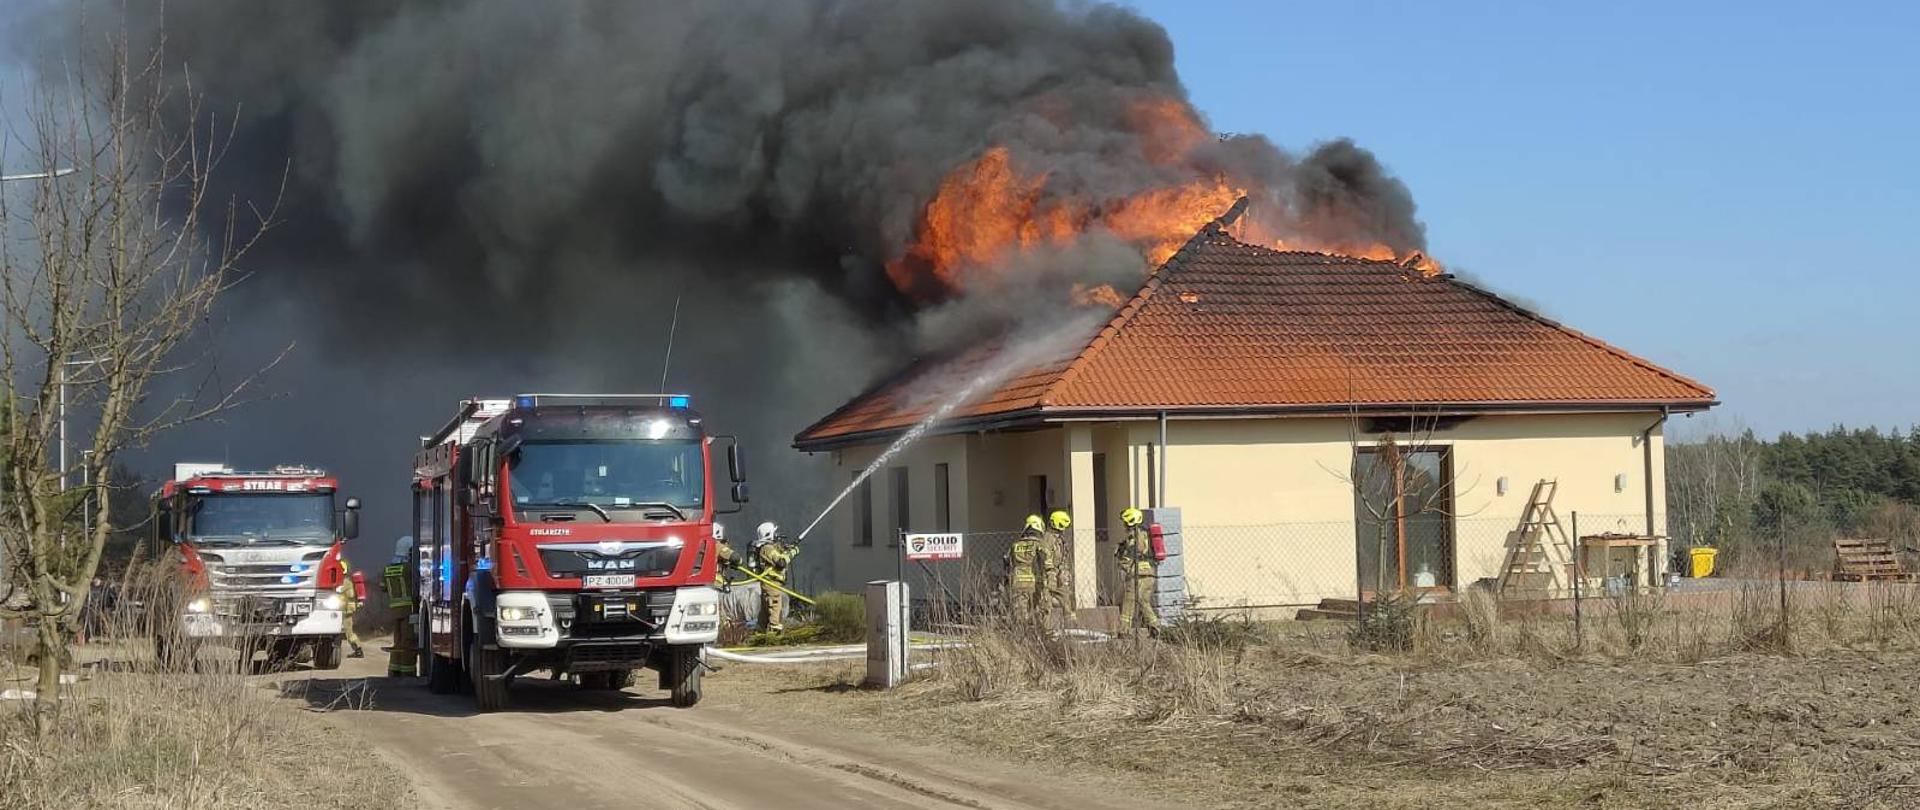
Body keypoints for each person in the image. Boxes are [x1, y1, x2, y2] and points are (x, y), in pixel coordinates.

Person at [1116, 507, 1161, 634]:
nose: (1124, 524)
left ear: (1130, 521)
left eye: (1125, 522)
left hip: (1138, 574)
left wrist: (1122, 561)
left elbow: (1132, 553)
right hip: (1150, 573)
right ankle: (1155, 626)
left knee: (1129, 600)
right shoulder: (1146, 533)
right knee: (1143, 601)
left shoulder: (1134, 536)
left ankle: (1123, 631)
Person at [383, 536, 419, 677]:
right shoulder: (409, 568)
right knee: (408, 643)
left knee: (397, 642)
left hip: (394, 610)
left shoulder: (388, 569)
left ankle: (394, 670)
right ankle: (408, 673)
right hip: (408, 610)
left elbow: (383, 587)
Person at [753, 522, 796, 632]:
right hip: (772, 585)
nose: (777, 535)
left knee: (765, 610)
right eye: (775, 532)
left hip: (770, 584)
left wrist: (786, 549)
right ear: (769, 534)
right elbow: (781, 562)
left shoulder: (769, 548)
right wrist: (792, 553)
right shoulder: (767, 548)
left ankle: (760, 631)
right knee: (774, 607)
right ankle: (774, 632)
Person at [1005, 515, 1044, 624]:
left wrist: (1007, 579)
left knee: (1019, 612)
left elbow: (1007, 561)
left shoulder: (1015, 545)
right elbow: (1045, 563)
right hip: (1034, 582)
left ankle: (1020, 633)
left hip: (1017, 581)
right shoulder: (1039, 545)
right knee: (1036, 609)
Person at [1038, 510, 1074, 625]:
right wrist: (1050, 575)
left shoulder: (1059, 540)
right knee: (1046, 603)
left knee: (1066, 597)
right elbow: (1045, 557)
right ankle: (1045, 628)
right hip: (1048, 574)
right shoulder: (1048, 538)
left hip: (1058, 574)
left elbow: (1063, 557)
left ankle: (1069, 625)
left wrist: (1065, 571)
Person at [337, 557, 366, 658]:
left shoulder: (344, 582)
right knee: (346, 630)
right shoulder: (347, 580)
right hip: (345, 608)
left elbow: (338, 591)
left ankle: (358, 649)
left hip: (346, 609)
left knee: (349, 631)